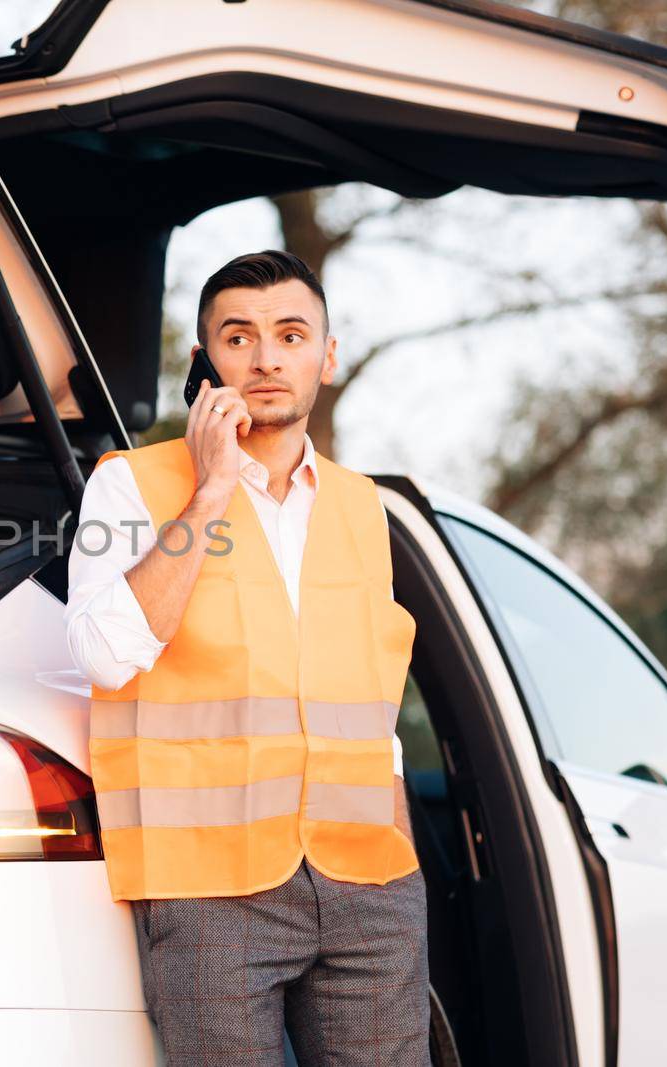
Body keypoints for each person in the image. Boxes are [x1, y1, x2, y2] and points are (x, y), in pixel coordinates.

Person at [64, 250, 430, 1065]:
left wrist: (398, 858)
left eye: (291, 334)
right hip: (208, 893)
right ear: (204, 363)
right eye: (239, 337)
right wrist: (210, 492)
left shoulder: (363, 505)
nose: (266, 358)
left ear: (325, 357)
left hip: (368, 879)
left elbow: (371, 700)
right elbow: (103, 652)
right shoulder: (128, 486)